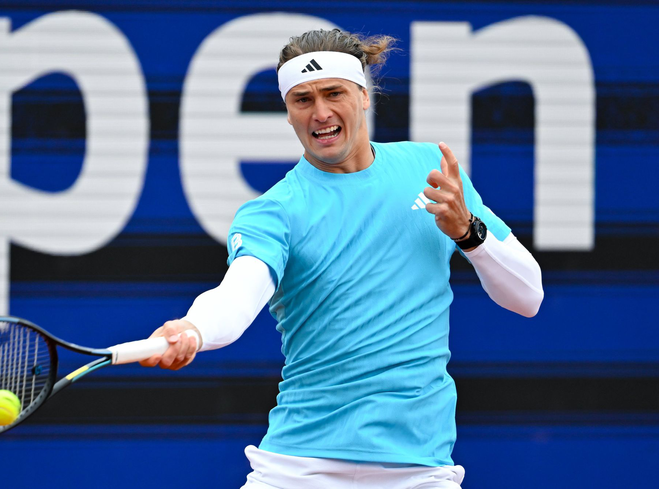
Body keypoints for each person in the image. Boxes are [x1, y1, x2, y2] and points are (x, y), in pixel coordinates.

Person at [140, 29, 544, 489]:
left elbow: (528, 296)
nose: (320, 113)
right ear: (288, 112)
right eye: (303, 99)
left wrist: (469, 233)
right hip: (297, 471)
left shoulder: (432, 172)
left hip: (420, 471)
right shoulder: (273, 212)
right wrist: (194, 328)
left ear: (363, 96)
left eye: (334, 93)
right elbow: (238, 294)